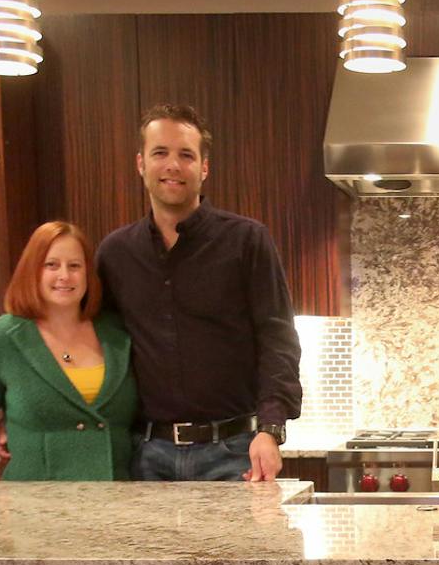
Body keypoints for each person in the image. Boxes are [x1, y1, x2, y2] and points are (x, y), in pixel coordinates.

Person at [94, 102, 302, 482]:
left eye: (185, 155)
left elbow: (278, 340)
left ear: (204, 168)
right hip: (145, 457)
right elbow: (89, 345)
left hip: (234, 453)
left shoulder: (246, 241)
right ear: (141, 163)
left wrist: (270, 429)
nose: (172, 165)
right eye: (160, 153)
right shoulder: (115, 253)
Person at [0, 221, 135, 484]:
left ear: (88, 274)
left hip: (115, 500)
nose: (64, 275)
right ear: (32, 271)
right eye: (51, 265)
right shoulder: (2, 337)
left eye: (75, 266)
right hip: (34, 501)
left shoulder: (118, 333)